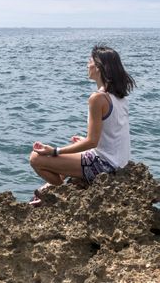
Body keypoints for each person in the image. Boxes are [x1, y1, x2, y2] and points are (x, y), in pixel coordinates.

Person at [29, 44, 136, 196]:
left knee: (35, 159)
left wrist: (54, 151)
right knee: (78, 146)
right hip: (119, 163)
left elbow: (92, 141)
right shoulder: (120, 97)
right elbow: (111, 136)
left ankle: (58, 191)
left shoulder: (98, 98)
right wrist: (84, 144)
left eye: (90, 60)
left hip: (105, 166)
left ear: (98, 67)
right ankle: (50, 187)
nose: (87, 64)